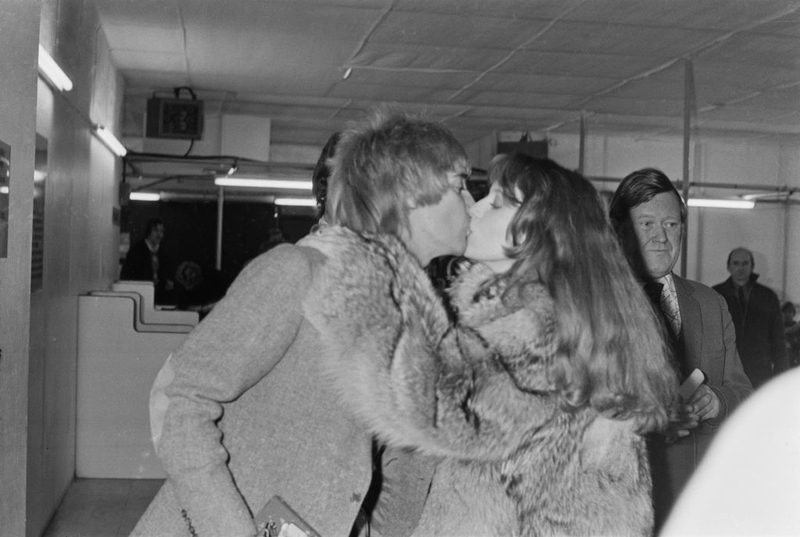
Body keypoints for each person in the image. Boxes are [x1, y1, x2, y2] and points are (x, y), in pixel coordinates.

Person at [131, 109, 474, 537]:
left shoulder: (391, 308)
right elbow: (182, 400)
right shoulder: (298, 272)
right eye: (461, 187)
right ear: (408, 195)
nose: (472, 205)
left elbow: (351, 460)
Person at [302, 154, 678, 535]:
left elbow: (435, 404)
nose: (475, 208)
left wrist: (366, 264)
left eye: (497, 203)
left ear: (537, 231)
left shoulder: (543, 326)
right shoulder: (552, 316)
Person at [608, 167, 753, 530]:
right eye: (647, 224)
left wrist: (717, 401)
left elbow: (742, 392)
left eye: (671, 225)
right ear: (621, 230)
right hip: (622, 503)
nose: (661, 236)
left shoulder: (710, 303)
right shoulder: (597, 306)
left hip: (697, 501)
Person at [661, 366, 800, 536]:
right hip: (660, 498)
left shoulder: (718, 337)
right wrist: (655, 422)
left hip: (715, 498)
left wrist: (720, 401)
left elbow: (746, 395)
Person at [712, 247, 789, 388]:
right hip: (726, 375)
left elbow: (778, 341)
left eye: (745, 263)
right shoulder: (716, 295)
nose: (740, 268)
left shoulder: (767, 297)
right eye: (735, 263)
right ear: (728, 267)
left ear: (752, 266)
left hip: (760, 375)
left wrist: (781, 379)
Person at [121, 218, 174, 303]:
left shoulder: (163, 252)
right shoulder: (136, 250)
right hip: (140, 297)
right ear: (148, 231)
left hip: (159, 299)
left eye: (162, 231)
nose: (159, 234)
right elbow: (127, 275)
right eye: (156, 230)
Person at [783, 301, 800, 367]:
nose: (787, 314)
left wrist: (791, 344)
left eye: (790, 312)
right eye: (785, 312)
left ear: (793, 314)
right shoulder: (778, 326)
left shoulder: (797, 327)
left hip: (794, 359)